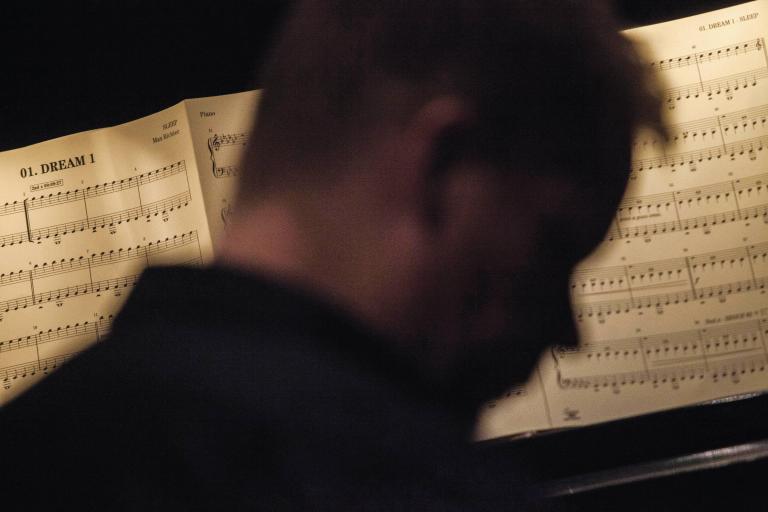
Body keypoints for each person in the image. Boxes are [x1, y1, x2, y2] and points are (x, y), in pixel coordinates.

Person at [0, 0, 659, 510]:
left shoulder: (33, 442)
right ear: (441, 163)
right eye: (552, 250)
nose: (567, 332)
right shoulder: (411, 486)